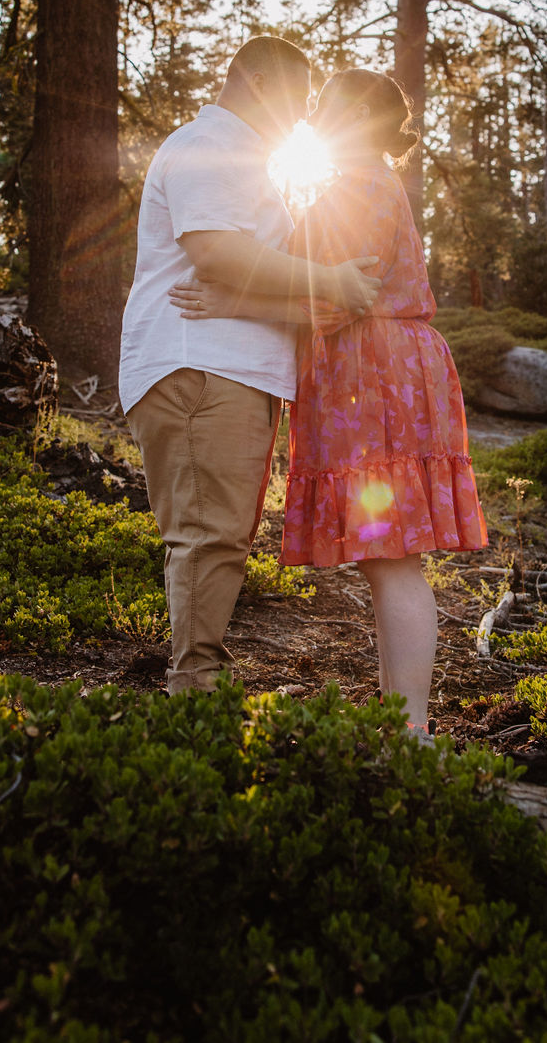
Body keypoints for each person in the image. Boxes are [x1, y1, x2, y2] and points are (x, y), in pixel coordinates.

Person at [171, 68, 488, 740]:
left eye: (324, 107)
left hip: (376, 378)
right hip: (378, 375)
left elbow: (338, 294)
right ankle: (402, 720)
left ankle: (412, 731)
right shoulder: (365, 182)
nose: (311, 116)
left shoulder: (360, 187)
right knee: (388, 557)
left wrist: (233, 300)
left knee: (394, 556)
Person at [119, 36, 382, 695]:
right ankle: (195, 689)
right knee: (210, 533)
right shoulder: (214, 148)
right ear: (261, 82)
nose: (302, 117)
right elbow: (218, 252)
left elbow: (244, 275)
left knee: (220, 533)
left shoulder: (243, 163)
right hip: (202, 367)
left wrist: (285, 294)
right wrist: (328, 281)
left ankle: (198, 678)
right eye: (297, 97)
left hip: (226, 368)